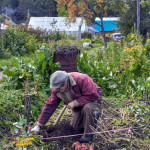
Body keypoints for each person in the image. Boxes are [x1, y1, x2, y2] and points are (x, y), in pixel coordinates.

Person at [31, 71, 103, 143]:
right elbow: (50, 106)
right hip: (78, 105)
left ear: (65, 83)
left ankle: (88, 135)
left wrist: (75, 103)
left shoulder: (82, 79)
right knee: (75, 127)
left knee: (88, 107)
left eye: (59, 88)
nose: (57, 90)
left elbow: (93, 95)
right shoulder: (57, 90)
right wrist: (39, 125)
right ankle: (92, 118)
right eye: (56, 88)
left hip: (92, 99)